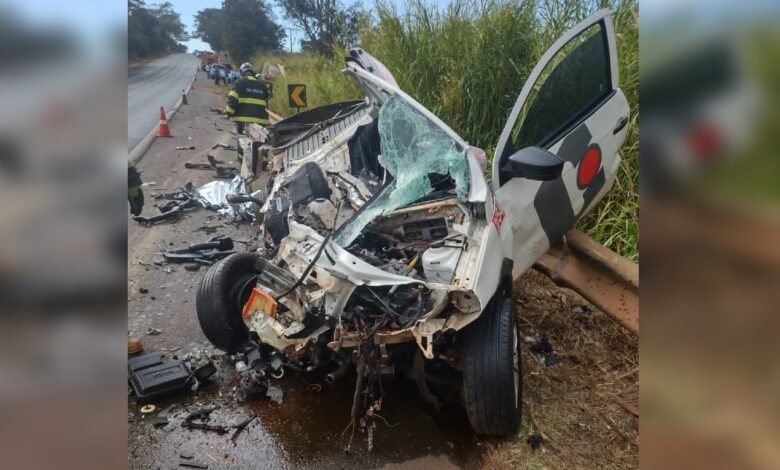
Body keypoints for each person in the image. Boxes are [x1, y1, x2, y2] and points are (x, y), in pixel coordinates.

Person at [225, 62, 271, 143]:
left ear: (242, 72)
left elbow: (232, 100)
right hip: (260, 122)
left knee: (243, 145)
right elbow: (268, 97)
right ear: (253, 73)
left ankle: (241, 155)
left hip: (243, 122)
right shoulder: (262, 84)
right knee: (260, 145)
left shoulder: (239, 83)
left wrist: (229, 113)